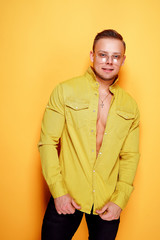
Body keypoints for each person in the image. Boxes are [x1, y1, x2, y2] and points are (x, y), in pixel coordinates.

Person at [38, 29, 140, 240]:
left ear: (123, 60)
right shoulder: (65, 91)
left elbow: (130, 156)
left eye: (115, 56)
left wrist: (119, 200)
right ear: (92, 56)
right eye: (103, 54)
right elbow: (47, 142)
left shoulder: (130, 106)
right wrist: (58, 192)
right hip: (67, 194)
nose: (109, 61)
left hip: (107, 200)